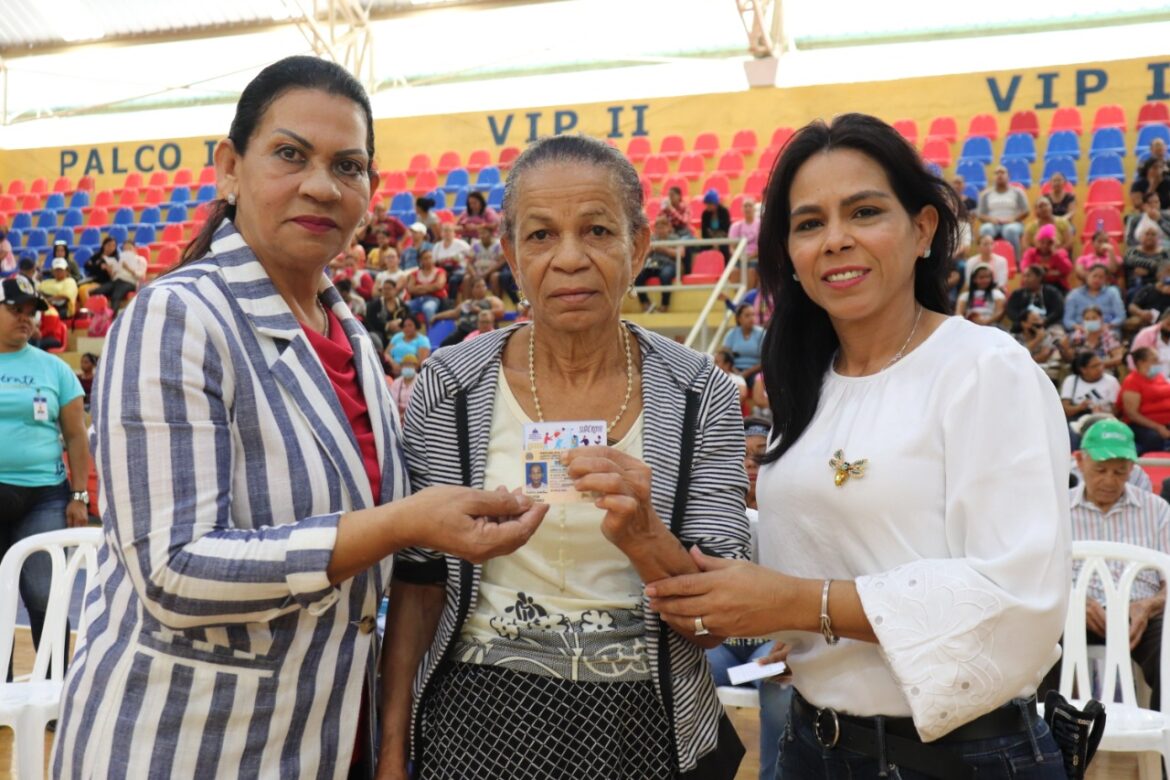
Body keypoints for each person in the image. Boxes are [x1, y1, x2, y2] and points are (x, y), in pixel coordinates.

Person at [51, 56, 548, 779]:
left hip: (321, 736)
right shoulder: (177, 316)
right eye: (290, 154)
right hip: (187, 744)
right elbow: (174, 572)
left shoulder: (352, 338)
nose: (322, 185)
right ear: (230, 167)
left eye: (348, 166)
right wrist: (402, 523)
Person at [646, 113, 1070, 778]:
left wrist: (800, 605)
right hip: (813, 743)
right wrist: (816, 645)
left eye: (864, 212)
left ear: (922, 229)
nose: (836, 239)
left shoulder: (985, 368)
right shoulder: (807, 383)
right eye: (809, 223)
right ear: (789, 254)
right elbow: (832, 554)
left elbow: (1016, 593)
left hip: (960, 759)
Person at [379, 134, 749, 780]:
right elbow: (419, 583)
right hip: (474, 722)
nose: (570, 258)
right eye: (542, 235)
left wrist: (645, 536)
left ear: (639, 247)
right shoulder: (451, 386)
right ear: (511, 255)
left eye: (598, 231)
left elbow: (721, 623)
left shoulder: (700, 394)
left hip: (646, 723)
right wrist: (391, 754)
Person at [1040, 419, 1169, 710]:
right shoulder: (1057, 509)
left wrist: (1149, 605)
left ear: (1132, 469)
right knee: (1038, 638)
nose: (1110, 481)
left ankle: (1163, 733)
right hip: (1072, 612)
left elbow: (1168, 578)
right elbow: (1039, 574)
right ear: (1080, 461)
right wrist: (1073, 599)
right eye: (1100, 470)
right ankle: (1051, 732)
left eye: (1120, 471)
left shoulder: (1157, 509)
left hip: (1141, 614)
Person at [0, 276, 90, 676]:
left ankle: (55, 691)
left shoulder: (55, 369)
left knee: (44, 595)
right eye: (15, 310)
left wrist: (79, 496)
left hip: (44, 497)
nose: (25, 318)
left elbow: (76, 436)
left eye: (30, 312)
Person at [703, 417, 791, 780]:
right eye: (743, 455)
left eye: (760, 454)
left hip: (766, 648)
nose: (751, 464)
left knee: (780, 684)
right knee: (671, 676)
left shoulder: (790, 516)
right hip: (718, 646)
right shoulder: (708, 514)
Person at [1119, 346, 1170, 453]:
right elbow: (1132, 414)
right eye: (1154, 360)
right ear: (1141, 363)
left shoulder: (1158, 377)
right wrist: (1158, 427)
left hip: (1166, 422)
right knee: (1154, 437)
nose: (1159, 363)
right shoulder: (1132, 381)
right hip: (1144, 425)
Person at [431, 276, 504, 346]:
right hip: (463, 331)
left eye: (483, 286)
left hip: (482, 331)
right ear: (472, 289)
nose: (481, 288)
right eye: (478, 287)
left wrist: (480, 311)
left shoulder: (492, 300)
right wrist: (436, 316)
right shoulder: (467, 303)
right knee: (444, 345)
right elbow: (453, 313)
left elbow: (500, 312)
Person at [977, 164, 1029, 260]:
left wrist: (1013, 219)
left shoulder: (1017, 192)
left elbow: (1026, 211)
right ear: (993, 177)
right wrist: (990, 219)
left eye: (1002, 172)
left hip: (1013, 223)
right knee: (985, 230)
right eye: (997, 173)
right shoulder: (986, 194)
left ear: (1008, 176)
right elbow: (980, 215)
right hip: (993, 223)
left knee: (1010, 231)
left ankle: (1016, 261)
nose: (999, 175)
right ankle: (985, 260)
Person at [1060, 352, 1120, 425]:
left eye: (1100, 364)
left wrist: (1102, 412)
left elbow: (1117, 411)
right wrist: (1079, 407)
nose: (1100, 368)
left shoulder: (1111, 381)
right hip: (1077, 421)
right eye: (1094, 366)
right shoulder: (1071, 381)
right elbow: (1065, 409)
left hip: (1104, 421)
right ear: (1083, 370)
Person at [635, 214, 680, 312]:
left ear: (668, 228)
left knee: (665, 275)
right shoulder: (652, 238)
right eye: (658, 228)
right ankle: (645, 303)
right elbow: (643, 254)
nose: (660, 230)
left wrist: (663, 249)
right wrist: (649, 250)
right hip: (653, 264)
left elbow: (681, 254)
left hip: (668, 264)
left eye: (663, 227)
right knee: (638, 275)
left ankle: (665, 305)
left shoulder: (674, 238)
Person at [1060, 306, 1125, 373]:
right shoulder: (1077, 336)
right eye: (1087, 319)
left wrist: (1096, 366)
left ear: (1101, 319)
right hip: (1082, 373)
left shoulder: (1109, 336)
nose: (1090, 321)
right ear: (1083, 321)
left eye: (1094, 318)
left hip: (1105, 371)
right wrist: (1064, 349)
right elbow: (1070, 360)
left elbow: (1119, 358)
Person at [1063, 264, 1124, 332]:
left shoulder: (1112, 292)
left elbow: (1120, 317)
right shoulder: (1074, 294)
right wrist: (1079, 327)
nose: (1097, 280)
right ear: (1087, 275)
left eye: (1101, 277)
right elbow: (1067, 320)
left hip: (1107, 329)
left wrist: (1108, 325)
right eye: (1094, 276)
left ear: (1105, 279)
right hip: (1081, 330)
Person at [1005, 265, 1065, 330]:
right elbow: (1010, 309)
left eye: (1028, 276)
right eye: (1024, 276)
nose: (1025, 279)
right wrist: (1023, 320)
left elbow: (1058, 310)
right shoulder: (1018, 293)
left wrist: (1045, 320)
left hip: (1049, 324)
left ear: (1039, 277)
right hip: (1023, 325)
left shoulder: (1052, 292)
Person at [1021, 223, 1072, 292]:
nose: (1045, 245)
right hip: (1033, 285)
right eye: (1042, 242)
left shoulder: (1060, 253)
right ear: (1037, 242)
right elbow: (1026, 271)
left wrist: (1055, 254)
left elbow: (1067, 270)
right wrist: (1055, 273)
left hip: (1057, 287)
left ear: (1054, 243)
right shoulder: (1030, 253)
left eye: (1049, 242)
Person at [722, 302, 765, 387]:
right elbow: (725, 357)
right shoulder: (731, 334)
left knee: (759, 381)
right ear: (739, 318)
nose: (751, 318)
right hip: (734, 371)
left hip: (755, 371)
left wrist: (746, 373)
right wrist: (736, 373)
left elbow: (765, 360)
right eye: (747, 315)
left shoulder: (762, 334)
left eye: (753, 315)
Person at [364, 276, 410, 352]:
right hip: (379, 332)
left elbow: (408, 318)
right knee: (375, 337)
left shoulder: (402, 305)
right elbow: (370, 322)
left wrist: (399, 323)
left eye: (389, 289)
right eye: (384, 289)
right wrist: (387, 326)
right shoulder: (374, 305)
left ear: (395, 290)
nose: (386, 291)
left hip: (397, 330)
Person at [404, 247, 447, 326]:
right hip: (418, 299)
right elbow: (410, 289)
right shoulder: (415, 274)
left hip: (434, 299)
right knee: (405, 306)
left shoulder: (440, 272)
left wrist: (419, 287)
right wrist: (430, 288)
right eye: (425, 258)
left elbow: (439, 286)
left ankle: (431, 330)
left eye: (430, 257)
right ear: (421, 261)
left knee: (428, 308)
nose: (428, 260)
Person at [1125, 263, 1170, 336]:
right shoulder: (1148, 289)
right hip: (1146, 322)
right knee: (1133, 323)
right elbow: (1132, 306)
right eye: (1167, 272)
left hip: (1165, 326)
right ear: (1159, 275)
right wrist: (1141, 313)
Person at [955, 262, 1004, 326]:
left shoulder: (997, 294)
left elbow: (999, 311)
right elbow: (958, 313)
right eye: (981, 277)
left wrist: (987, 321)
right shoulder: (965, 296)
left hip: (991, 325)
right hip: (969, 325)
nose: (985, 280)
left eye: (988, 277)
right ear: (974, 279)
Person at [432, 221, 472, 300]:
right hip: (443, 269)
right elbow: (434, 261)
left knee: (453, 280)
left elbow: (472, 255)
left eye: (449, 231)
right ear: (441, 233)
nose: (447, 233)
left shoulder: (461, 244)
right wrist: (443, 261)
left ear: (454, 233)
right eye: (445, 231)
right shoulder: (437, 246)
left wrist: (459, 260)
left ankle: (451, 301)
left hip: (459, 269)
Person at [729, 197, 761, 287]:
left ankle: (747, 295)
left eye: (749, 206)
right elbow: (732, 247)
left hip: (755, 259)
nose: (747, 208)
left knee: (751, 271)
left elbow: (762, 246)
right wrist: (739, 257)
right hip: (740, 258)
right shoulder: (736, 226)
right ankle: (739, 295)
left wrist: (750, 257)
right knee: (733, 272)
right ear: (741, 209)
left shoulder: (760, 225)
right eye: (745, 206)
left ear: (754, 208)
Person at [1132, 309, 1170, 378]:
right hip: (1149, 379)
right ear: (1162, 319)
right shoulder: (1146, 334)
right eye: (1168, 324)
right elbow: (1133, 362)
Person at [701, 188, 732, 262]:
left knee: (724, 247)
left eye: (709, 204)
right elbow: (704, 233)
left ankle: (725, 267)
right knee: (702, 247)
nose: (707, 206)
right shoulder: (705, 214)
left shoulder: (724, 212)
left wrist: (717, 242)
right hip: (710, 240)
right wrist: (712, 242)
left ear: (715, 203)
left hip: (722, 239)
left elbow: (726, 230)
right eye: (706, 204)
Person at [387, 352, 419, 420]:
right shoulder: (396, 382)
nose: (407, 367)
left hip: (415, 416)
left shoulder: (420, 381)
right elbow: (392, 401)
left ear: (416, 367)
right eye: (405, 365)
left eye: (410, 365)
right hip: (398, 417)